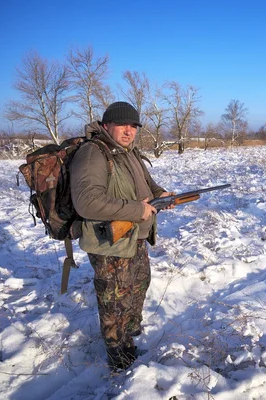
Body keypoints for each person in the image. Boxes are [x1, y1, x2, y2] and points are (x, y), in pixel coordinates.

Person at [70, 101, 174, 371]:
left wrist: (161, 194)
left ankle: (130, 333)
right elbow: (87, 202)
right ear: (106, 126)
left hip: (133, 237)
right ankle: (119, 357)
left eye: (133, 126)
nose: (129, 131)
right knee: (115, 300)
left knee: (138, 285)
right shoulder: (93, 153)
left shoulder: (128, 152)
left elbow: (147, 183)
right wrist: (136, 209)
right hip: (110, 242)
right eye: (122, 125)